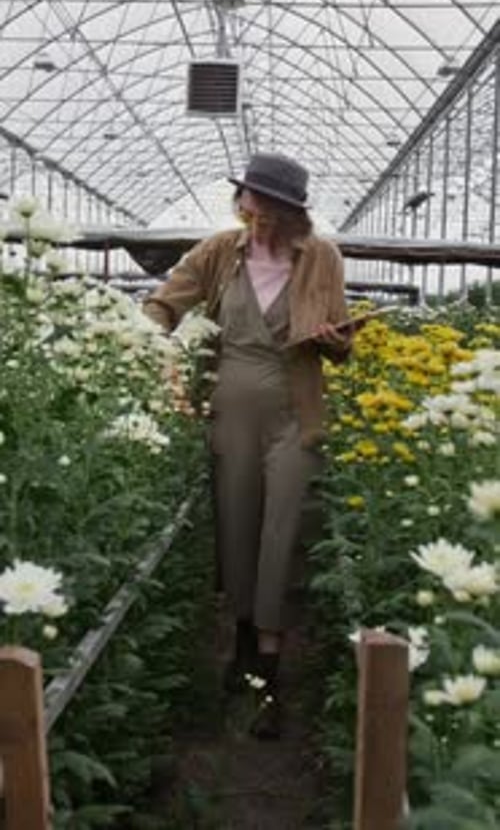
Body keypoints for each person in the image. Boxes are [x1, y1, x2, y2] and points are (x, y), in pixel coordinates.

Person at [143, 152, 353, 739]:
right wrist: (151, 344)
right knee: (236, 528)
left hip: (295, 414)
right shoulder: (219, 251)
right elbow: (164, 303)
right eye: (248, 203)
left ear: (290, 213)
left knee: (282, 535)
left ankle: (269, 675)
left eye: (265, 208)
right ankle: (240, 645)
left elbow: (341, 344)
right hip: (230, 410)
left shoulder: (322, 257)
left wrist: (334, 339)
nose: (254, 215)